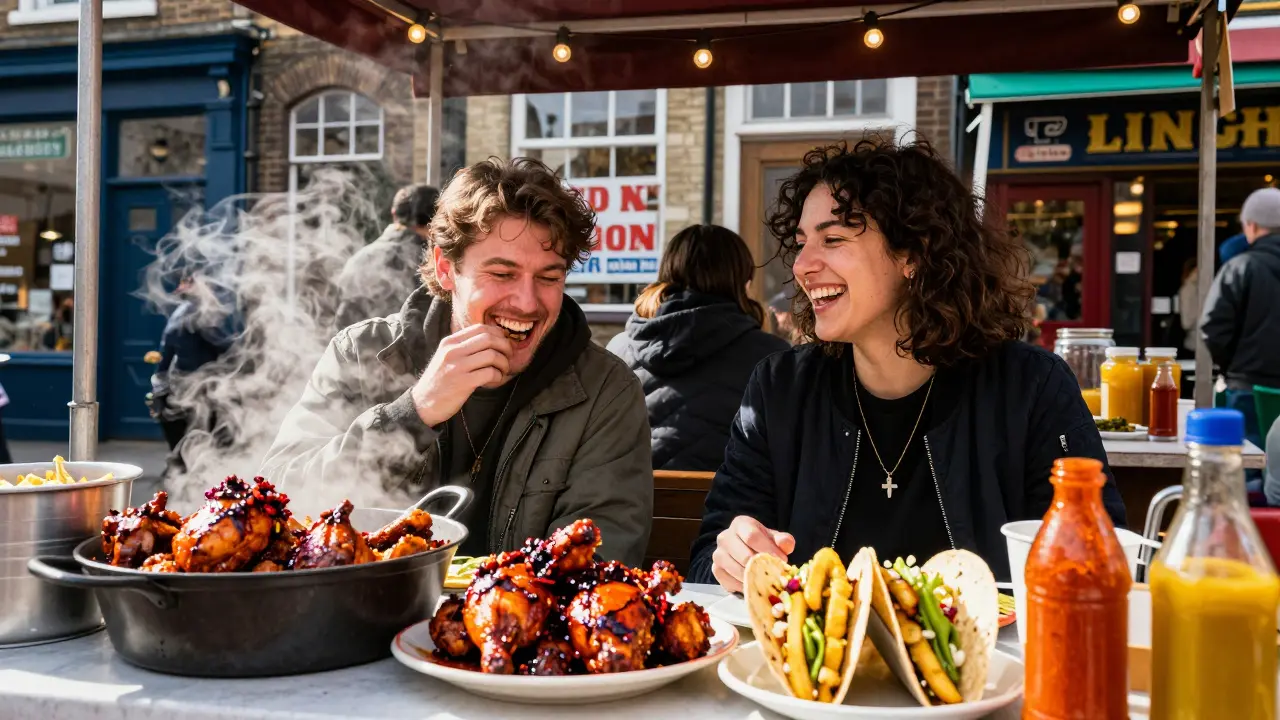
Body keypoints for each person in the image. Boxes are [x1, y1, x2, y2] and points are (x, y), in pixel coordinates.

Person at [687, 140, 1126, 589]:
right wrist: (732, 560)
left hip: (992, 657)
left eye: (833, 239)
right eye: (801, 244)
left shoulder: (1030, 387)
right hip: (817, 660)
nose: (801, 266)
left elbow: (1100, 557)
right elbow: (705, 564)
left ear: (913, 253)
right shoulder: (779, 390)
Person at [263, 158, 653, 564]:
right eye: (502, 274)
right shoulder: (361, 352)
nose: (527, 302)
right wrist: (412, 413)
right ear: (447, 269)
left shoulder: (605, 389)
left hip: (512, 624)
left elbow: (601, 557)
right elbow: (282, 502)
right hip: (365, 617)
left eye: (549, 278)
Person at [607, 225, 790, 472]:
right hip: (731, 509)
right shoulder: (772, 357)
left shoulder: (619, 350)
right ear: (743, 283)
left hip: (634, 506)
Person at [1200, 187, 1280, 462]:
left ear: (1252, 225)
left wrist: (1232, 368)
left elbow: (1212, 328)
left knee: (1246, 469)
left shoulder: (1240, 266)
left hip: (1248, 391)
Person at [147, 278, 240, 475]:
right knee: (205, 441)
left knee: (188, 442)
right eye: (182, 282)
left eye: (187, 282)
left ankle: (182, 475)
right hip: (195, 388)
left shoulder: (186, 312)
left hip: (187, 388)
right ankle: (191, 479)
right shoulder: (196, 313)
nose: (181, 287)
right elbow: (226, 347)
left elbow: (167, 353)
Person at [334, 183, 439, 329]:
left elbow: (341, 321)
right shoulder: (435, 262)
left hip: (359, 348)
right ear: (437, 219)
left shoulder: (359, 260)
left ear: (394, 213)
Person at [1178, 258, 1200, 353]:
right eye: (1196, 271)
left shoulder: (1195, 289)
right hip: (1194, 340)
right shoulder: (1189, 290)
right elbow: (1187, 322)